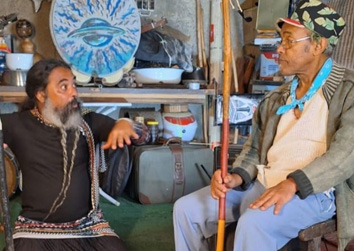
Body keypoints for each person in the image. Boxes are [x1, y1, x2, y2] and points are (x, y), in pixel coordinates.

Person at [173, 0, 354, 250]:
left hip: (315, 193)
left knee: (254, 223)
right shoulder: (277, 97)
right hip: (265, 182)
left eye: (289, 41)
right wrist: (237, 176)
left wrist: (293, 184)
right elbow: (254, 149)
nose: (279, 48)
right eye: (281, 40)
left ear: (318, 45)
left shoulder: (348, 92)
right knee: (186, 210)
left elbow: (345, 156)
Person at [0, 58, 149, 251]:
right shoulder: (16, 124)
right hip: (34, 229)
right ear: (41, 94)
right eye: (64, 87)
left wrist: (126, 124)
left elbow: (142, 136)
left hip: (88, 227)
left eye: (73, 84)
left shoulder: (88, 122)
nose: (74, 92)